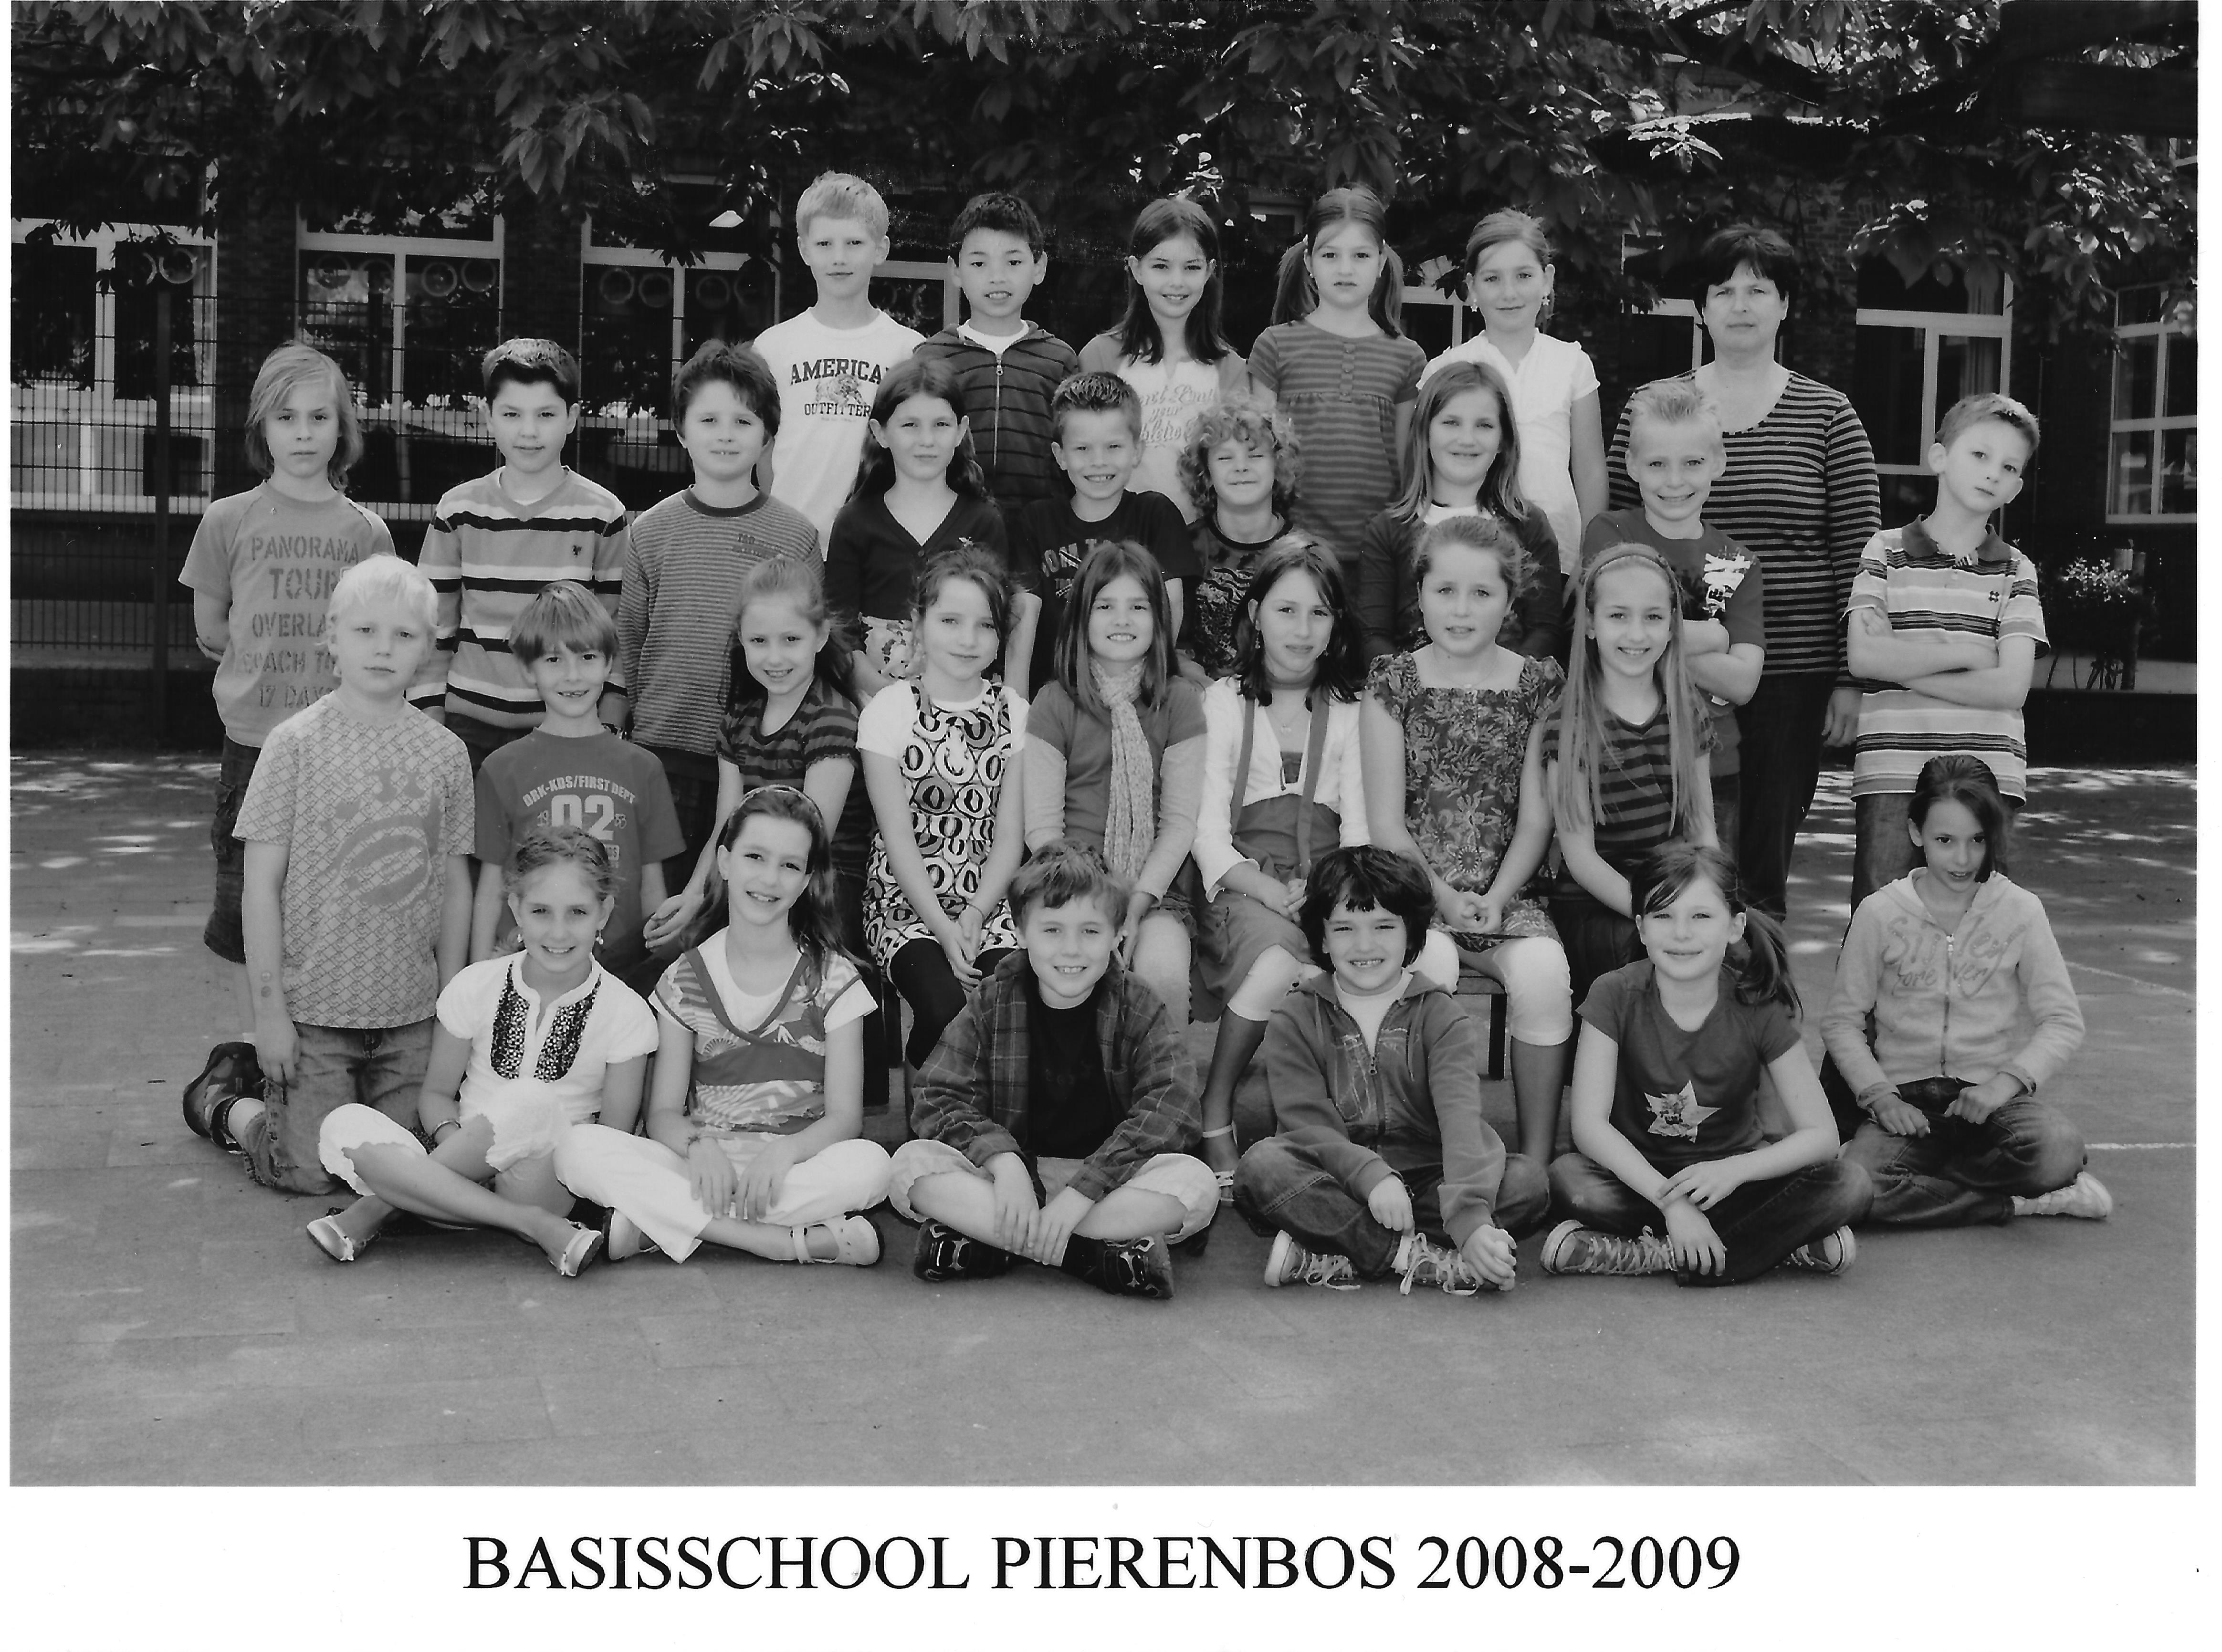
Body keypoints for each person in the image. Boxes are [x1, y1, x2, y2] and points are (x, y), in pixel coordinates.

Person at [1606, 224, 1880, 921]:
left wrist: (1852, 679)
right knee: (1675, 848)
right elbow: (1616, 539)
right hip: (1661, 671)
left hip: (1791, 673)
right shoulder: (1653, 408)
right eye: (1723, 290)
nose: (1740, 304)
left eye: (1759, 290)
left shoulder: (1829, 415)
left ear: (1785, 305)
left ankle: (1757, 979)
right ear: (1701, 307)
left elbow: (1860, 558)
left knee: (1760, 860)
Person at [180, 556, 475, 1198]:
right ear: (332, 637)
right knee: (306, 1173)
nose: (383, 648)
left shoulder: (446, 754)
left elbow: (455, 884)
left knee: (398, 1175)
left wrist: (452, 1006)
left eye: (404, 634)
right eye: (366, 631)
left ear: (429, 647)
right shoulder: (294, 745)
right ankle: (228, 1104)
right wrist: (270, 1015)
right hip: (312, 1012)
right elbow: (260, 887)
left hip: (410, 1013)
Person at [177, 343, 406, 1125]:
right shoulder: (228, 519)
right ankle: (258, 1042)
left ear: (342, 429)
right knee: (250, 890)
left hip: (341, 747)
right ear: (262, 427)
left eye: (319, 417)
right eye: (286, 417)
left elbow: (386, 633)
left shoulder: (366, 531)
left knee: (333, 894)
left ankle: (328, 1037)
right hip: (254, 745)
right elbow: (212, 625)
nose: (303, 433)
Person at [555, 788, 893, 1266]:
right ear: (725, 862)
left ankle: (665, 1224)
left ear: (806, 881)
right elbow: (664, 1113)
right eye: (755, 857)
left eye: (790, 865)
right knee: (576, 1148)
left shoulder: (834, 979)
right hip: (702, 1166)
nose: (769, 878)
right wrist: (699, 1148)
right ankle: (779, 1242)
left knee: (871, 1167)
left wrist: (785, 1154)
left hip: (792, 1167)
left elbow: (844, 1119)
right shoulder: (685, 978)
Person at [307, 827, 655, 1274]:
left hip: (543, 1181)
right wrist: (460, 1151)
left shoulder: (626, 1011)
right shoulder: (476, 984)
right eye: (541, 911)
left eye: (578, 913)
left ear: (603, 913)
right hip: (459, 1153)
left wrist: (440, 1169)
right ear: (515, 908)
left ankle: (383, 1206)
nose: (558, 931)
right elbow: (436, 1095)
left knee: (530, 1099)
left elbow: (611, 1141)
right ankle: (529, 1226)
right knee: (343, 1123)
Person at [887, 843, 1216, 1299]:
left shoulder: (1139, 1005)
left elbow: (1173, 1106)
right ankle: (1086, 1253)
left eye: (1090, 931)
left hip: (1109, 1181)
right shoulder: (992, 1000)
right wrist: (1004, 1162)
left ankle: (1007, 1242)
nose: (1071, 949)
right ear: (1021, 932)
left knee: (1198, 1187)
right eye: (1052, 930)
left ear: (1118, 934)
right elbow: (937, 1095)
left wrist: (1084, 1191)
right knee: (908, 1168)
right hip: (1012, 1181)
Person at [1541, 843, 1872, 1283]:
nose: (1681, 933)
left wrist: (1734, 1171)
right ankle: (1770, 1246)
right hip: (1639, 1180)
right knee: (1571, 1182)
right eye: (1663, 916)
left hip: (1731, 1184)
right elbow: (1589, 1127)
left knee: (1850, 1185)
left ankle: (1656, 1254)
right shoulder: (1612, 995)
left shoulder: (1759, 1005)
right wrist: (1672, 1204)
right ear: (1641, 928)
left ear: (1735, 927)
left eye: (1701, 916)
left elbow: (1822, 1136)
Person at [1234, 846, 1551, 1295]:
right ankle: (1411, 1258)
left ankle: (1336, 1246)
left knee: (1527, 1183)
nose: (1365, 946)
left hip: (1429, 1178)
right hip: (1339, 1177)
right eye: (1344, 928)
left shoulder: (1442, 1016)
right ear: (1322, 939)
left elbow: (1461, 1122)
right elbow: (1307, 1125)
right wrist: (1374, 1178)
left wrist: (1469, 1219)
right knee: (1262, 1168)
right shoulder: (1295, 1016)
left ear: (1411, 935)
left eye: (1384, 927)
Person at [1362, 514, 1572, 1165]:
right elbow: (1387, 824)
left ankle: (1535, 1159)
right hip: (1413, 892)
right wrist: (1444, 898)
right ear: (1420, 594)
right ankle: (1425, 1151)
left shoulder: (1539, 685)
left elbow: (1536, 819)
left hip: (1509, 892)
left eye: (1482, 593)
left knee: (1544, 974)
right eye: (1445, 590)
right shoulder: (1392, 683)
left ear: (1510, 601)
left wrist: (1499, 897)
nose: (1461, 609)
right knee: (1431, 968)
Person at [645, 554, 890, 1110]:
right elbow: (725, 826)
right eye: (759, 642)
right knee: (669, 947)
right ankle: (704, 1083)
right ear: (741, 641)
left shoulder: (832, 719)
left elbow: (811, 839)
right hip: (754, 869)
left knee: (766, 936)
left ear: (820, 637)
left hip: (823, 877)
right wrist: (694, 895)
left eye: (790, 640)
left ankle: (826, 1089)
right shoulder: (739, 720)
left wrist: (730, 896)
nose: (774, 657)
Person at [1821, 756, 2108, 1226]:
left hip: (1992, 1101)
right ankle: (2015, 1201)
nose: (1963, 859)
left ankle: (1925, 1182)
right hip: (1905, 1102)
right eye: (1945, 841)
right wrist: (1881, 1099)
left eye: (1978, 840)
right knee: (1855, 1187)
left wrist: (2003, 1085)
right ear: (1915, 833)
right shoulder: (1878, 913)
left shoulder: (2021, 910)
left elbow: (2062, 1021)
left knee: (2058, 1150)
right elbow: (1841, 1022)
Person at [617, 339, 818, 865]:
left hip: (763, 762)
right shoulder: (650, 531)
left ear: (767, 435)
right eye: (709, 420)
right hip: (664, 754)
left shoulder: (796, 536)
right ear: (682, 431)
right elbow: (630, 642)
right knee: (663, 901)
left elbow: (811, 653)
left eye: (743, 421)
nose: (726, 435)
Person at [1844, 393, 2047, 911]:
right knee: (1882, 919)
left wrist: (1903, 665)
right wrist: (1968, 652)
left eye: (2009, 467)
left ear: (2017, 487)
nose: (1993, 473)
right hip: (1893, 770)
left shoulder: (2016, 569)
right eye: (1979, 455)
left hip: (1988, 776)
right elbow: (1864, 659)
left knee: (1981, 927)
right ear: (1939, 457)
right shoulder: (1884, 551)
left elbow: (2010, 687)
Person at [412, 338, 629, 773]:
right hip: (467, 731)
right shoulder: (458, 511)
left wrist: (608, 725)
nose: (529, 431)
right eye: (512, 414)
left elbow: (616, 631)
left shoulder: (603, 515)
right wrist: (428, 725)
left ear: (572, 418)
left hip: (566, 726)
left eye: (546, 415)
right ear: (488, 416)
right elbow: (433, 627)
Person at [858, 543, 1027, 1070]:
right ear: (918, 623)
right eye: (950, 620)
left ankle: (973, 1107)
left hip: (990, 905)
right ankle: (931, 1103)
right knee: (948, 1009)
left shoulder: (1015, 713)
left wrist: (974, 914)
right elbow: (898, 838)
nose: (967, 639)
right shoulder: (890, 710)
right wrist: (942, 925)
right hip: (906, 906)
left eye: (985, 625)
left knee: (1008, 1008)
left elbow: (1009, 837)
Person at [1580, 379, 1764, 863]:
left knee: (1706, 895)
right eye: (1658, 464)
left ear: (1718, 463)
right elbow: (1608, 641)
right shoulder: (1610, 535)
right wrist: (1714, 636)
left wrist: (1649, 641)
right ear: (1632, 466)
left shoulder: (1737, 562)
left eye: (1693, 463)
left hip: (1715, 764)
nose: (1675, 480)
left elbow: (1743, 682)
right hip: (1619, 756)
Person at [1024, 538, 1205, 1026]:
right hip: (1068, 887)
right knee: (1068, 976)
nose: (1122, 620)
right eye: (1106, 606)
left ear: (1159, 619)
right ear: (1081, 618)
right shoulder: (1053, 703)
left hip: (1155, 892)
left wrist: (1136, 904)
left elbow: (1179, 823)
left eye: (1138, 607)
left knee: (1162, 975)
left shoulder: (1180, 702)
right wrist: (1092, 901)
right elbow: (1042, 828)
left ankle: (1160, 1076)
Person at [472, 581, 683, 995]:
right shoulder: (502, 768)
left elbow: (652, 888)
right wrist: (479, 982)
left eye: (587, 657)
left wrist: (658, 978)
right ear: (528, 669)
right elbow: (491, 889)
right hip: (528, 967)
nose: (573, 675)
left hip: (619, 975)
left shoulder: (643, 768)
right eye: (554, 659)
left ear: (608, 663)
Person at [1544, 543, 1718, 1011]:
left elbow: (1703, 830)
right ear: (1590, 623)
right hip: (1599, 903)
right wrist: (1653, 916)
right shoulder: (1571, 722)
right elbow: (1581, 859)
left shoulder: (1687, 711)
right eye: (1618, 616)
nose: (1637, 634)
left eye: (1653, 617)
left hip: (1674, 890)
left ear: (1672, 626)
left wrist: (1710, 904)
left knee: (1751, 948)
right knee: (1638, 961)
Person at [1248, 186, 1427, 581]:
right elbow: (1262, 458)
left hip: (1378, 557)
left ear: (1381, 261)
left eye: (1361, 256)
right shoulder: (1274, 345)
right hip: (1292, 553)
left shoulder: (1408, 357)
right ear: (1309, 261)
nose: (1346, 269)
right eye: (1330, 255)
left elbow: (1408, 470)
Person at [1423, 209, 1606, 574]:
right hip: (1463, 555)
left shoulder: (1572, 363)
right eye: (1493, 279)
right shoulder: (1445, 368)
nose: (1509, 293)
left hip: (1558, 557)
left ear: (1547, 280)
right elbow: (1425, 470)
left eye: (1524, 276)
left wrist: (1589, 562)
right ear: (1472, 287)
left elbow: (1590, 473)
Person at [753, 171, 928, 545]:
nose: (839, 258)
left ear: (881, 249)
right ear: (804, 250)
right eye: (824, 243)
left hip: (876, 550)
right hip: (790, 547)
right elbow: (763, 453)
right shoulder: (773, 347)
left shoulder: (908, 350)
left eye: (854, 243)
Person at [825, 356, 1010, 700]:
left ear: (961, 431)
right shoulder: (855, 522)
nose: (927, 440)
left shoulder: (984, 521)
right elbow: (842, 635)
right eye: (910, 425)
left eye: (941, 425)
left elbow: (995, 624)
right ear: (880, 432)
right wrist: (892, 701)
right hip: (873, 701)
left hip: (964, 700)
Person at [1355, 358, 1563, 661]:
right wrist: (1413, 685)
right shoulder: (1388, 530)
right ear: (1425, 431)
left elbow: (1545, 630)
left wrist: (1505, 682)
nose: (1467, 439)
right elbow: (1373, 637)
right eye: (1451, 422)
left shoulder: (1529, 525)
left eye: (1484, 425)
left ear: (1503, 440)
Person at [1005, 371, 1196, 696]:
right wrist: (1016, 709)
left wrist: (1146, 694)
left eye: (1113, 447)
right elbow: (1023, 617)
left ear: (1137, 451)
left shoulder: (1155, 515)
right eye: (1082, 448)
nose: (1098, 462)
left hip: (1135, 695)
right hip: (1055, 697)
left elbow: (1171, 607)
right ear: (1060, 455)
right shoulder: (1036, 521)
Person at [1076, 196, 1251, 524]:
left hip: (1202, 542)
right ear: (1136, 269)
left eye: (1192, 267)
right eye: (1161, 266)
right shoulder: (1099, 357)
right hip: (1117, 539)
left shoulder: (1232, 370)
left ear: (1210, 271)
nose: (1176, 282)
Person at [912, 190, 1078, 511]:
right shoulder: (932, 358)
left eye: (1014, 262)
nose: (997, 277)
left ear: (1039, 267)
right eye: (979, 263)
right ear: (955, 270)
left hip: (1039, 528)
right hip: (950, 523)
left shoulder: (1060, 361)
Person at [1171, 393, 1301, 680]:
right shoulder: (1182, 547)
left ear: (1278, 465)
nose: (1241, 467)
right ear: (1206, 472)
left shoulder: (1304, 554)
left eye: (1255, 455)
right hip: (1202, 694)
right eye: (1225, 457)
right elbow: (1172, 649)